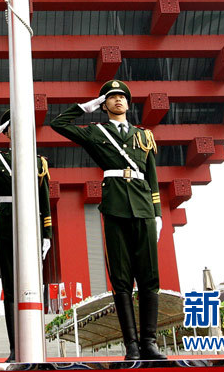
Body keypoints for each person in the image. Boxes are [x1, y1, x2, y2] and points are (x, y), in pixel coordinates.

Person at [50, 80, 166, 361]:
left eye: (122, 97)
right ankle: (132, 346)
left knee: (149, 277)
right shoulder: (96, 132)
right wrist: (83, 108)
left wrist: (158, 213)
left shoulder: (143, 136)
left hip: (144, 208)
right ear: (103, 105)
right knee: (122, 278)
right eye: (111, 98)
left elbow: (152, 177)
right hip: (115, 207)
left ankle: (149, 342)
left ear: (128, 103)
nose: (118, 101)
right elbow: (59, 124)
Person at [0, 110, 52, 362]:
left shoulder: (39, 162)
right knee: (11, 288)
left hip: (33, 225)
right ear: (6, 131)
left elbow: (45, 201)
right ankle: (16, 348)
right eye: (12, 125)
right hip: (7, 225)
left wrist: (46, 234)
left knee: (32, 288)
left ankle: (36, 346)